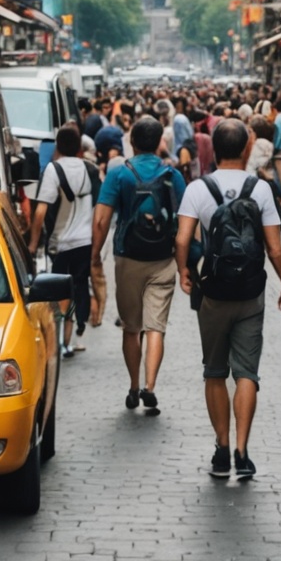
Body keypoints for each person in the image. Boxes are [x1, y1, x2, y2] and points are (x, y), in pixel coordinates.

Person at [175, 119, 281, 480]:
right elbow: (275, 248)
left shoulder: (198, 188)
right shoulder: (260, 189)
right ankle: (243, 453)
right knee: (246, 373)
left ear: (214, 148)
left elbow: (182, 239)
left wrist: (184, 271)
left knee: (214, 371)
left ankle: (222, 449)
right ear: (246, 148)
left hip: (212, 290)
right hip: (250, 292)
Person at [93, 116, 185, 415]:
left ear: (131, 141)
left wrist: (94, 255)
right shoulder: (173, 175)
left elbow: (102, 220)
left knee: (132, 328)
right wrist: (185, 264)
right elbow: (186, 222)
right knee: (156, 326)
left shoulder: (119, 173)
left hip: (127, 258)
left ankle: (133, 386)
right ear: (160, 142)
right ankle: (150, 386)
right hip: (163, 259)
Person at [31, 124, 100, 351]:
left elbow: (40, 212)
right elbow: (99, 208)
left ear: (57, 146)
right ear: (79, 147)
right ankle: (74, 334)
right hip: (85, 241)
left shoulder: (53, 170)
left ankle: (61, 339)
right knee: (79, 285)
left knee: (60, 290)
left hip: (60, 243)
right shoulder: (90, 169)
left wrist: (32, 244)